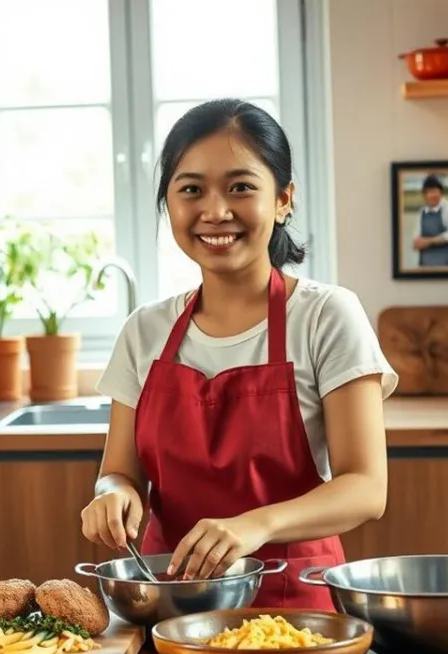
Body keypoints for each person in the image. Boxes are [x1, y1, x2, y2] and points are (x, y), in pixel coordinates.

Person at [80, 99, 398, 611]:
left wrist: (256, 525)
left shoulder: (326, 316)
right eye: (190, 190)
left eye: (241, 187)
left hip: (294, 602)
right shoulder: (145, 330)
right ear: (170, 205)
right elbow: (119, 470)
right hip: (168, 601)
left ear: (283, 200)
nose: (215, 211)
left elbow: (365, 487)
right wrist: (112, 494)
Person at [412, 174, 448, 267]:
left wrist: (430, 241)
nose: (432, 195)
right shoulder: (421, 212)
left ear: (441, 192)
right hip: (426, 267)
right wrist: (417, 243)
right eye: (429, 192)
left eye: (435, 191)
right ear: (424, 195)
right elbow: (416, 238)